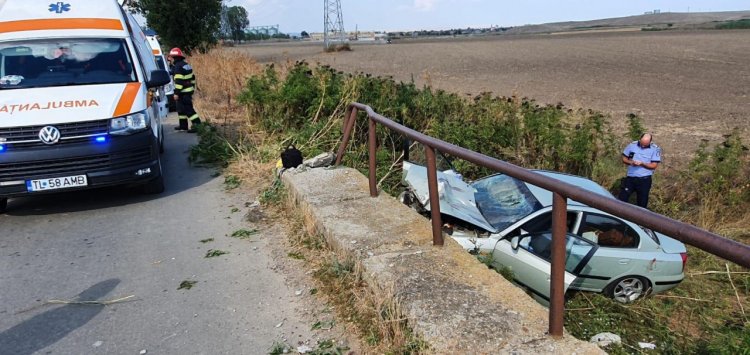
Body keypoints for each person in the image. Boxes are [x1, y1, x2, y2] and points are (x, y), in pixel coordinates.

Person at [618, 133, 661, 209]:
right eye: (642, 144)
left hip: (644, 180)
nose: (643, 146)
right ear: (640, 139)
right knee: (621, 199)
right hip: (630, 178)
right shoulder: (632, 145)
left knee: (642, 204)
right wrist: (631, 162)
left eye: (646, 144)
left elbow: (654, 166)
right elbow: (624, 158)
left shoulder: (655, 149)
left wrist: (642, 164)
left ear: (650, 142)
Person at [168, 47, 201, 132]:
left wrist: (176, 93)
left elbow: (179, 82)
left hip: (183, 93)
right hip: (188, 91)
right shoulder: (186, 65)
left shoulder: (178, 67)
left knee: (188, 110)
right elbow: (193, 77)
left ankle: (198, 126)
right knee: (180, 110)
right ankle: (183, 126)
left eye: (171, 57)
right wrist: (192, 87)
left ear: (173, 57)